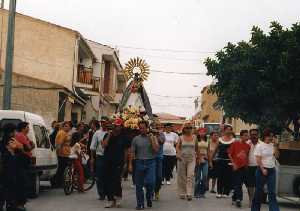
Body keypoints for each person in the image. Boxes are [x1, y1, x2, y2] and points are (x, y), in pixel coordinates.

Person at [103, 118, 131, 208]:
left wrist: (126, 162)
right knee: (107, 180)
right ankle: (110, 199)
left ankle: (118, 197)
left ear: (121, 126)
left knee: (116, 180)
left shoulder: (124, 137)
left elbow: (126, 150)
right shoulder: (108, 135)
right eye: (115, 126)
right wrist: (109, 135)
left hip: (119, 161)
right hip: (108, 161)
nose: (116, 128)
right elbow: (104, 145)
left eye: (118, 126)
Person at [1, 123, 29, 211]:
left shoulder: (3, 141)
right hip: (11, 169)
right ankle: (11, 205)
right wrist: (18, 148)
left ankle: (8, 205)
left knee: (5, 188)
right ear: (11, 132)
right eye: (14, 131)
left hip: (6, 169)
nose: (15, 133)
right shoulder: (12, 141)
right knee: (11, 187)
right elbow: (23, 153)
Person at [132, 120, 159, 210]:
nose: (142, 130)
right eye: (140, 128)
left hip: (151, 162)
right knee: (139, 185)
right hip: (139, 162)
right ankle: (140, 204)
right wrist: (130, 164)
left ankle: (148, 197)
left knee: (150, 182)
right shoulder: (136, 139)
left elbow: (156, 150)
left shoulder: (153, 137)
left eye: (143, 128)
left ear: (147, 128)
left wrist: (151, 139)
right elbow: (132, 152)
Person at [251, 129, 280, 211]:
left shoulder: (272, 145)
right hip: (261, 170)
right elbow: (258, 159)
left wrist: (276, 145)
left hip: (271, 170)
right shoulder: (260, 145)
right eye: (270, 136)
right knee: (259, 192)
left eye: (272, 136)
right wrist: (262, 169)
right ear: (265, 136)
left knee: (272, 192)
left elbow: (277, 156)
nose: (271, 138)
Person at [228, 130, 251, 208]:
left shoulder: (248, 146)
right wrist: (233, 163)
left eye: (247, 135)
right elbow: (229, 154)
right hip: (236, 167)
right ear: (241, 136)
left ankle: (234, 197)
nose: (247, 137)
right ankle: (239, 199)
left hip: (244, 167)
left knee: (240, 183)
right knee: (238, 183)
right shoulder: (235, 144)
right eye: (245, 135)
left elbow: (247, 156)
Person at [176, 124, 197, 201]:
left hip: (192, 159)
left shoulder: (195, 137)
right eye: (187, 128)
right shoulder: (180, 137)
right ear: (184, 129)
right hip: (182, 158)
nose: (189, 129)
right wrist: (178, 153)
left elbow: (197, 148)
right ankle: (182, 192)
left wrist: (199, 158)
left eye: (190, 128)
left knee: (190, 175)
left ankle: (189, 193)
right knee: (182, 176)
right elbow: (177, 147)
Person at [90, 117, 109, 200]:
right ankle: (101, 193)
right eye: (102, 122)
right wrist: (92, 158)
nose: (103, 124)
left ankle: (107, 192)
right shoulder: (97, 133)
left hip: (109, 157)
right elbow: (92, 147)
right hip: (100, 157)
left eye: (105, 122)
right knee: (99, 176)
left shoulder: (111, 132)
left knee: (107, 176)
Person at [215, 125, 235, 198]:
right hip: (220, 160)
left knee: (228, 177)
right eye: (227, 129)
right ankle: (219, 191)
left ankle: (226, 192)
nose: (229, 131)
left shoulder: (233, 140)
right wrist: (211, 159)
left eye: (230, 130)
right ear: (224, 130)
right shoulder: (220, 139)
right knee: (220, 176)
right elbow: (215, 150)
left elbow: (235, 152)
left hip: (229, 161)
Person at [55, 121, 72, 187]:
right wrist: (58, 152)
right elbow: (59, 144)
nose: (67, 127)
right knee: (61, 169)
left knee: (62, 168)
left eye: (68, 126)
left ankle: (59, 182)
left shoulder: (64, 133)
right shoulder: (62, 133)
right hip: (62, 154)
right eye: (65, 126)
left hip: (65, 153)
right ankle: (58, 183)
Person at [246, 129, 260, 207]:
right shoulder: (247, 143)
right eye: (252, 134)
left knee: (258, 184)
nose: (254, 136)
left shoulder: (261, 144)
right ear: (250, 135)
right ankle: (251, 199)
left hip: (258, 166)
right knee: (250, 185)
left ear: (258, 135)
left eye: (255, 134)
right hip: (249, 166)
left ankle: (255, 199)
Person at [194, 127, 209, 198]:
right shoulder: (195, 140)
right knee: (198, 177)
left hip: (205, 159)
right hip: (197, 159)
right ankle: (196, 192)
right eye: (201, 132)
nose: (202, 133)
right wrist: (197, 157)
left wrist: (210, 160)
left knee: (205, 176)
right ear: (198, 133)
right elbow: (194, 150)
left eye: (204, 132)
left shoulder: (207, 140)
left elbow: (208, 150)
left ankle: (202, 193)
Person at [153, 122, 165, 201]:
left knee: (159, 176)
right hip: (150, 157)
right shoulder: (150, 133)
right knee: (151, 176)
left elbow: (161, 141)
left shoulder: (162, 134)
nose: (157, 127)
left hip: (159, 158)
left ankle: (157, 191)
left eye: (159, 126)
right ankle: (150, 191)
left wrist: (157, 134)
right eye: (156, 126)